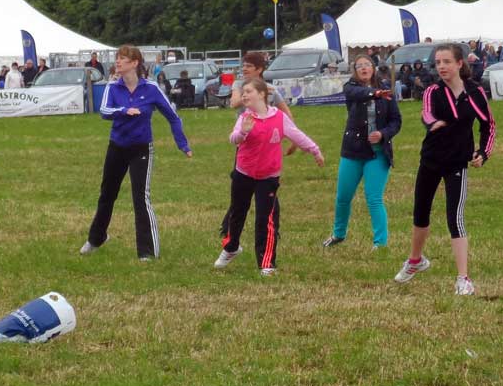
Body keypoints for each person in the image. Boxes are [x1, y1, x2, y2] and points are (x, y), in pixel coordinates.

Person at [394, 43, 496, 295]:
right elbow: (425, 113)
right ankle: (416, 261)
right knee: (420, 212)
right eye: (438, 62)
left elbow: (488, 125)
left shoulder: (475, 93)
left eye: (447, 61)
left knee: (455, 218)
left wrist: (483, 152)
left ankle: (464, 278)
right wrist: (433, 123)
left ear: (460, 64)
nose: (441, 67)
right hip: (430, 160)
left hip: (457, 163)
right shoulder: (433, 91)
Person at [82, 44, 191, 260]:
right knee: (107, 194)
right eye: (117, 58)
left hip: (141, 148)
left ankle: (147, 253)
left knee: (141, 197)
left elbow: (172, 116)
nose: (118, 62)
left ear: (134, 63)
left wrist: (183, 144)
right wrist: (123, 111)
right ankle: (96, 238)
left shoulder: (150, 88)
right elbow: (104, 111)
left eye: (123, 58)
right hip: (117, 147)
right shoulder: (113, 87)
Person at [215, 78, 324, 276]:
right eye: (243, 92)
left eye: (248, 91)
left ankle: (266, 263)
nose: (244, 95)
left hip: (268, 177)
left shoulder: (279, 118)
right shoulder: (245, 118)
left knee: (265, 219)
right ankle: (231, 248)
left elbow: (297, 135)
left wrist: (315, 150)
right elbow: (233, 139)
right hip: (243, 173)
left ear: (262, 94)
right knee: (237, 213)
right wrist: (243, 133)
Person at [323, 55, 402, 250]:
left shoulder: (386, 90)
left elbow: (396, 121)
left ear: (374, 68)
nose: (364, 68)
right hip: (353, 151)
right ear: (355, 70)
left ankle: (380, 243)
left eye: (367, 65)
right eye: (360, 66)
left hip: (378, 154)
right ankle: (338, 234)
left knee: (373, 198)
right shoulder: (351, 87)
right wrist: (375, 93)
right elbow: (358, 94)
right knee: (343, 197)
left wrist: (383, 134)